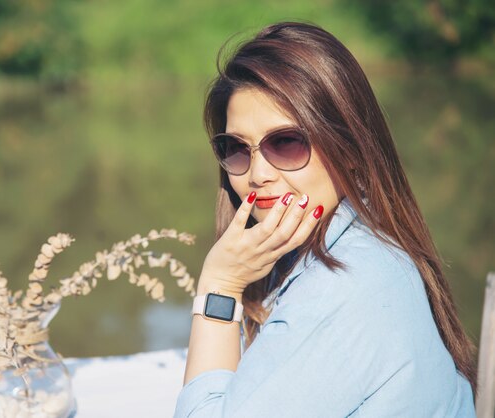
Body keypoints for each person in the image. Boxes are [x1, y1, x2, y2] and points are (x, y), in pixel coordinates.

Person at [174, 22, 477, 417]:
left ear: (349, 147)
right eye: (236, 148)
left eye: (285, 142)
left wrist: (220, 285)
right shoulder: (364, 243)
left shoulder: (344, 287)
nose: (257, 174)